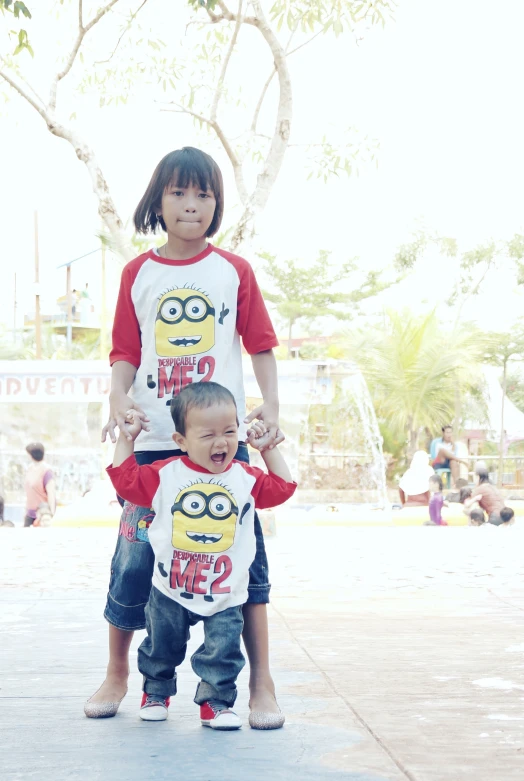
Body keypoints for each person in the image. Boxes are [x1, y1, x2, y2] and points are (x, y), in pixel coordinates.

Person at [85, 147, 285, 729]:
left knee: (242, 561)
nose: (191, 205)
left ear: (217, 203)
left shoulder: (233, 271)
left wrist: (269, 406)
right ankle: (119, 672)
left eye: (203, 194)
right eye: (178, 193)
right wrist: (119, 402)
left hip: (223, 442)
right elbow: (125, 353)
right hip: (153, 441)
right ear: (158, 200)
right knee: (133, 557)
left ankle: (261, 684)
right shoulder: (137, 274)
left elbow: (261, 344)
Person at [107, 382, 296, 726]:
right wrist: (127, 439)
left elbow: (283, 489)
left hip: (224, 590)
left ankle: (217, 703)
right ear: (181, 441)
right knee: (161, 644)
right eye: (207, 434)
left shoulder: (244, 477)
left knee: (223, 650)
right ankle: (156, 691)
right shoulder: (167, 474)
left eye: (229, 431)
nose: (221, 442)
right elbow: (124, 481)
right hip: (170, 588)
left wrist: (268, 450)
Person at [23, 443, 56, 527]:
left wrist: (52, 513)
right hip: (29, 512)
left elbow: (51, 493)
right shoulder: (30, 469)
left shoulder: (46, 471)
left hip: (42, 513)